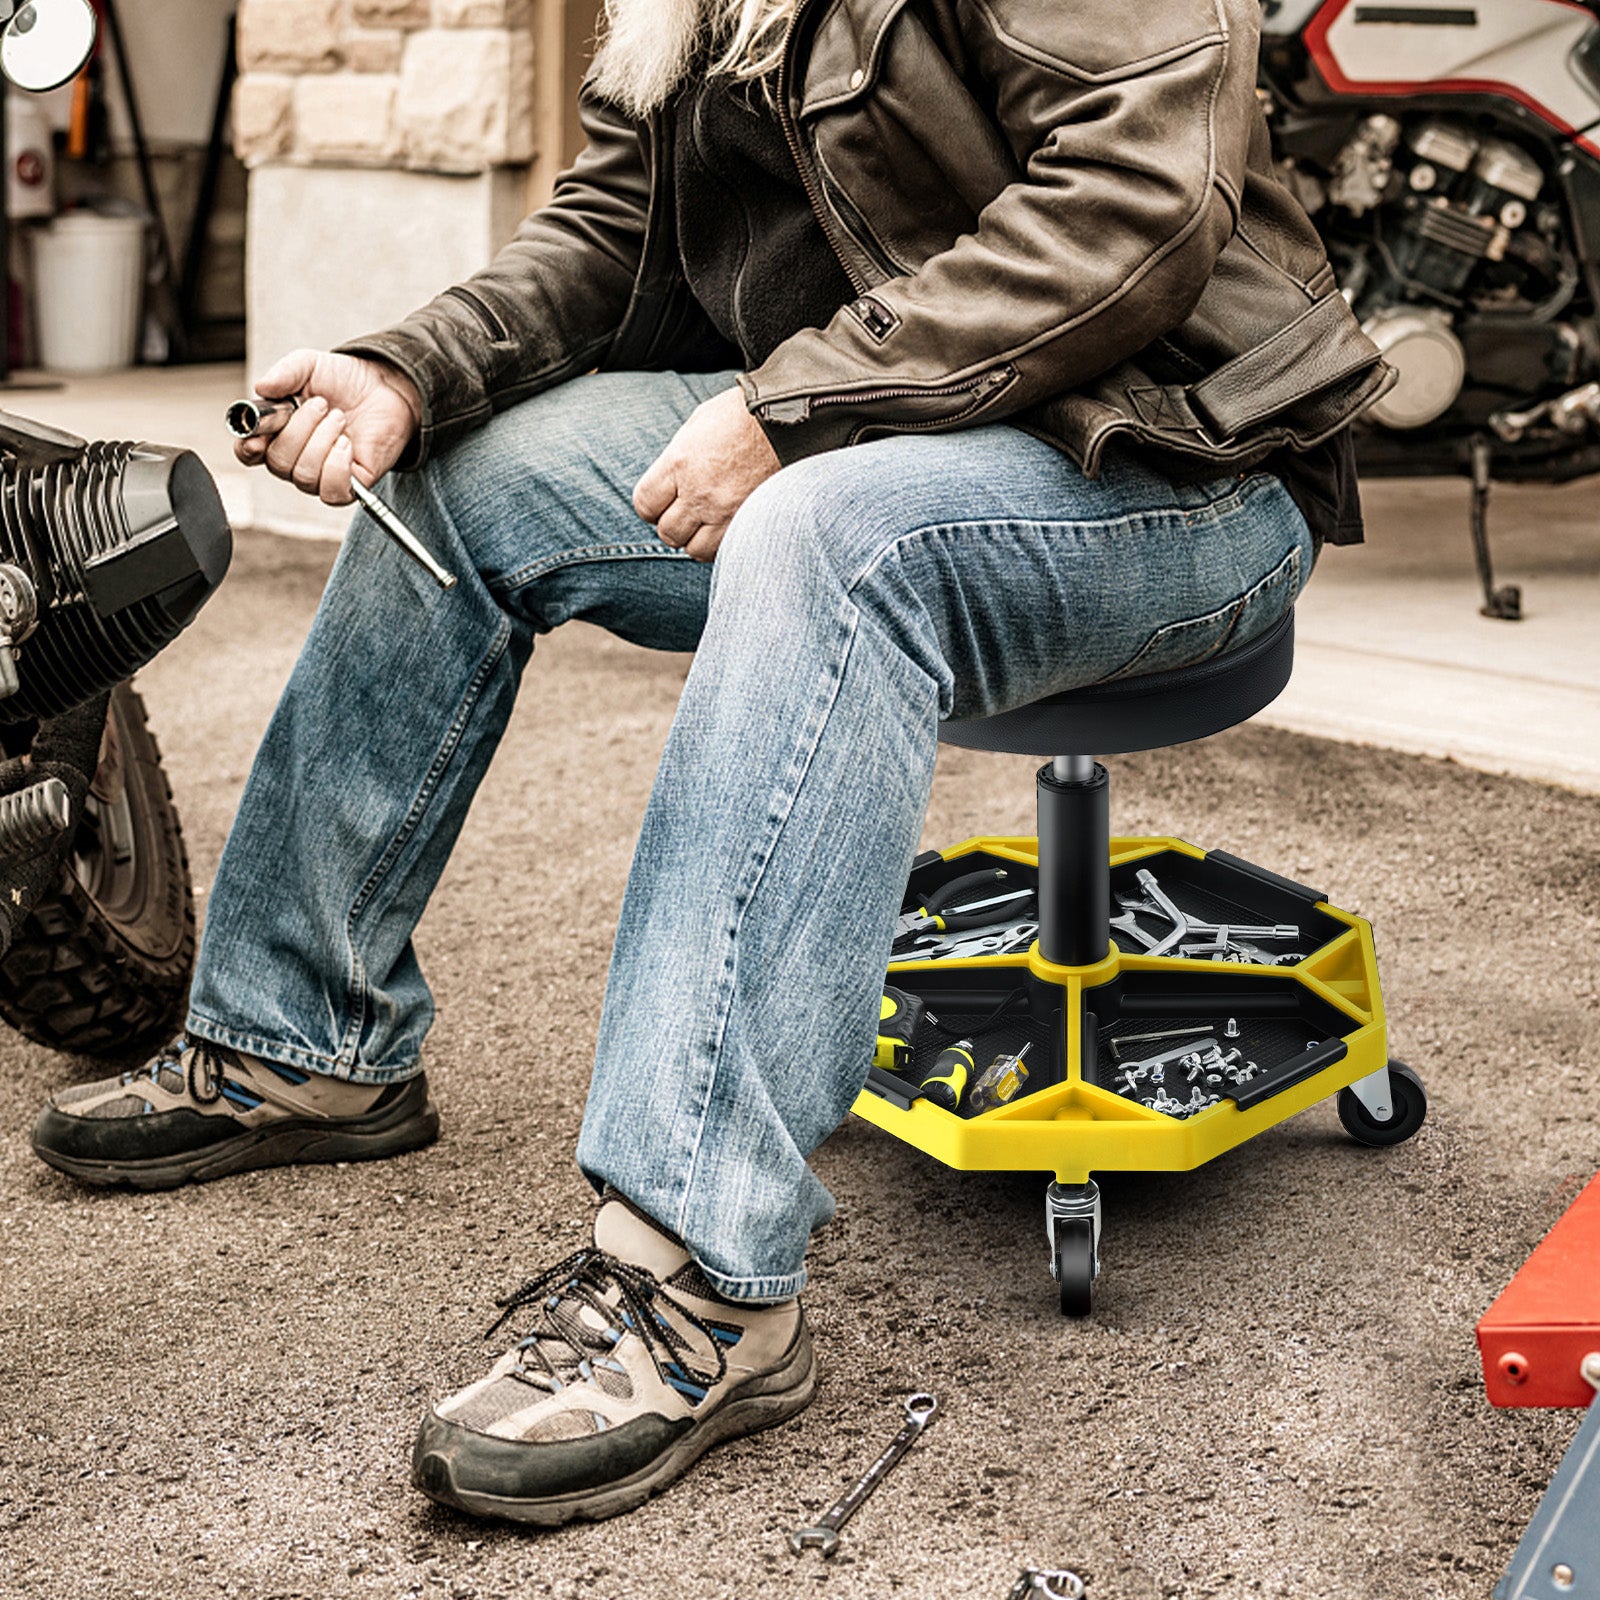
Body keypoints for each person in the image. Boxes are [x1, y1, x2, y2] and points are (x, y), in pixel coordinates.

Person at [29, 0, 1389, 1526]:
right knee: (471, 476)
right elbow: (618, 227)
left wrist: (794, 408)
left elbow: (1140, 197)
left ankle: (699, 1279)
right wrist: (409, 370)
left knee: (826, 534)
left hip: (1174, 458)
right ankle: (303, 1033)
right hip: (890, 419)